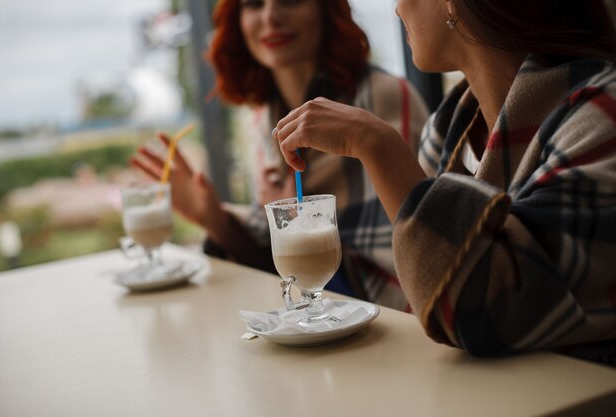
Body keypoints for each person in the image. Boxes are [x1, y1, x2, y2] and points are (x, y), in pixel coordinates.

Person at [273, 0, 616, 362]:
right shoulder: (448, 127)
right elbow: (428, 300)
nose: (397, 9)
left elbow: (489, 314)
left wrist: (378, 147)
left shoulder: (603, 116)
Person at [131, 0, 430, 310]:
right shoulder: (262, 118)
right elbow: (284, 271)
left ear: (326, 9)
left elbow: (421, 261)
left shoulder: (382, 99)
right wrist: (214, 219)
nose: (271, 17)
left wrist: (299, 219)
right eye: (254, 4)